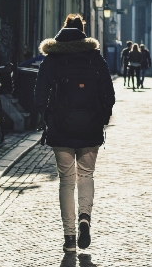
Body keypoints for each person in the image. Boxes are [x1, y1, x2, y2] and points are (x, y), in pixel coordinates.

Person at [34, 13, 115, 253]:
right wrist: (102, 118)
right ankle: (84, 218)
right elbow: (109, 94)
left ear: (63, 30)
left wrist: (46, 117)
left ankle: (69, 238)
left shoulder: (52, 58)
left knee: (67, 182)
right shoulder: (94, 58)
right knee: (86, 176)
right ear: (83, 32)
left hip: (60, 128)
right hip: (90, 126)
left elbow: (39, 94)